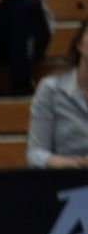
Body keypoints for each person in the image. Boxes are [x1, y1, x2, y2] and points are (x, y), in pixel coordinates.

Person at [26, 23, 88, 169]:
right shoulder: (51, 89)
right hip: (66, 178)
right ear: (79, 44)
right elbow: (35, 154)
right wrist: (64, 163)